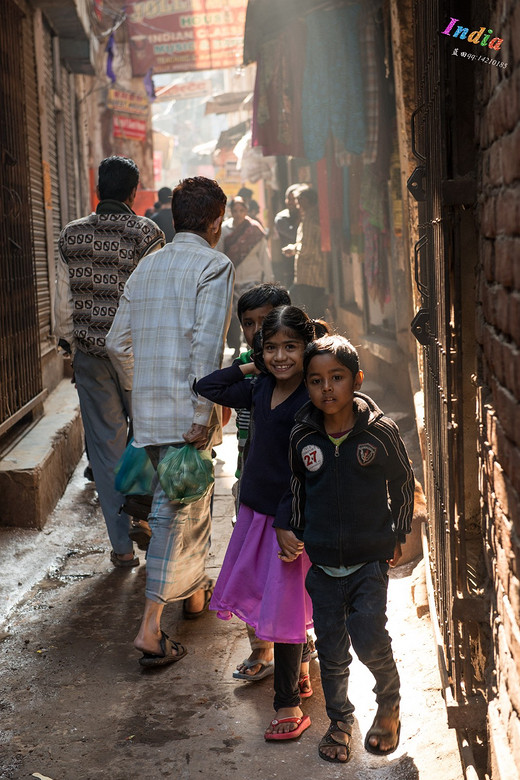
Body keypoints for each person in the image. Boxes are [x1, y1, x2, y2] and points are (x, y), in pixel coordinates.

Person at [106, 176, 234, 667]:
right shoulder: (213, 264)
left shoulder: (147, 266)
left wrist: (147, 388)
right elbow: (206, 347)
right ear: (216, 220)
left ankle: (195, 594)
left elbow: (117, 344)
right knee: (174, 514)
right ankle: (150, 629)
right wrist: (202, 412)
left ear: (176, 216)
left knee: (188, 506)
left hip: (153, 414)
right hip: (188, 417)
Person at [282, 334, 414, 762]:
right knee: (333, 651)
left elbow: (402, 480)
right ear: (308, 386)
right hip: (321, 564)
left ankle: (389, 701)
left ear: (356, 379)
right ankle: (340, 721)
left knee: (369, 635)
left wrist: (398, 531)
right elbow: (297, 487)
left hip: (369, 560)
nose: (326, 388)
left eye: (336, 378)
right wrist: (292, 527)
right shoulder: (302, 435)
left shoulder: (379, 432)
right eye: (316, 380)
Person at [195, 306, 321, 741]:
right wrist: (253, 363)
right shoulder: (260, 387)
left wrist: (287, 522)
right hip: (256, 515)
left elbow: (304, 470)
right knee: (278, 601)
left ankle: (288, 703)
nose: (281, 356)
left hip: (289, 519)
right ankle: (302, 671)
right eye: (272, 347)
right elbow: (207, 385)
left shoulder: (310, 398)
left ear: (308, 349)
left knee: (284, 608)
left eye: (291, 347)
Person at [55, 155, 165, 567]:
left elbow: (62, 304)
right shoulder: (147, 233)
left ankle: (121, 548)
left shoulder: (71, 235)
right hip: (140, 355)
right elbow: (157, 296)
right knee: (152, 439)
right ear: (134, 192)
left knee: (105, 451)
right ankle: (152, 523)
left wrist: (69, 346)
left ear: (98, 189)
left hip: (91, 356)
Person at [231, 283, 292, 683]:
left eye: (265, 323)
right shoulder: (249, 365)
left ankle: (299, 641)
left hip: (289, 484)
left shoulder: (299, 368)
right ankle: (260, 647)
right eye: (248, 324)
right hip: (249, 480)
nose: (256, 332)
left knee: (291, 566)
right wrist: (253, 365)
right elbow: (211, 387)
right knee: (251, 567)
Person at [218, 196, 272, 358]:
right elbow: (220, 255)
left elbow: (264, 256)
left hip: (252, 278)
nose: (238, 214)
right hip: (233, 280)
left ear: (246, 211)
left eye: (241, 210)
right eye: (235, 211)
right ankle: (235, 346)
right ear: (231, 212)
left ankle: (255, 345)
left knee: (253, 314)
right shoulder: (225, 230)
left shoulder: (255, 230)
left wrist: (269, 278)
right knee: (234, 316)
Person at [283, 186, 328, 318]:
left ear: (306, 200)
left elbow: (307, 248)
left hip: (310, 275)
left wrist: (293, 249)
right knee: (315, 311)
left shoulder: (310, 217)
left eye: (298, 199)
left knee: (311, 312)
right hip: (315, 275)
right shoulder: (314, 215)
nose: (296, 204)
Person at [273, 184, 301, 287]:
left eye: (294, 199)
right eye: (288, 199)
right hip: (289, 265)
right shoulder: (281, 218)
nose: (290, 202)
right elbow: (293, 235)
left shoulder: (306, 215)